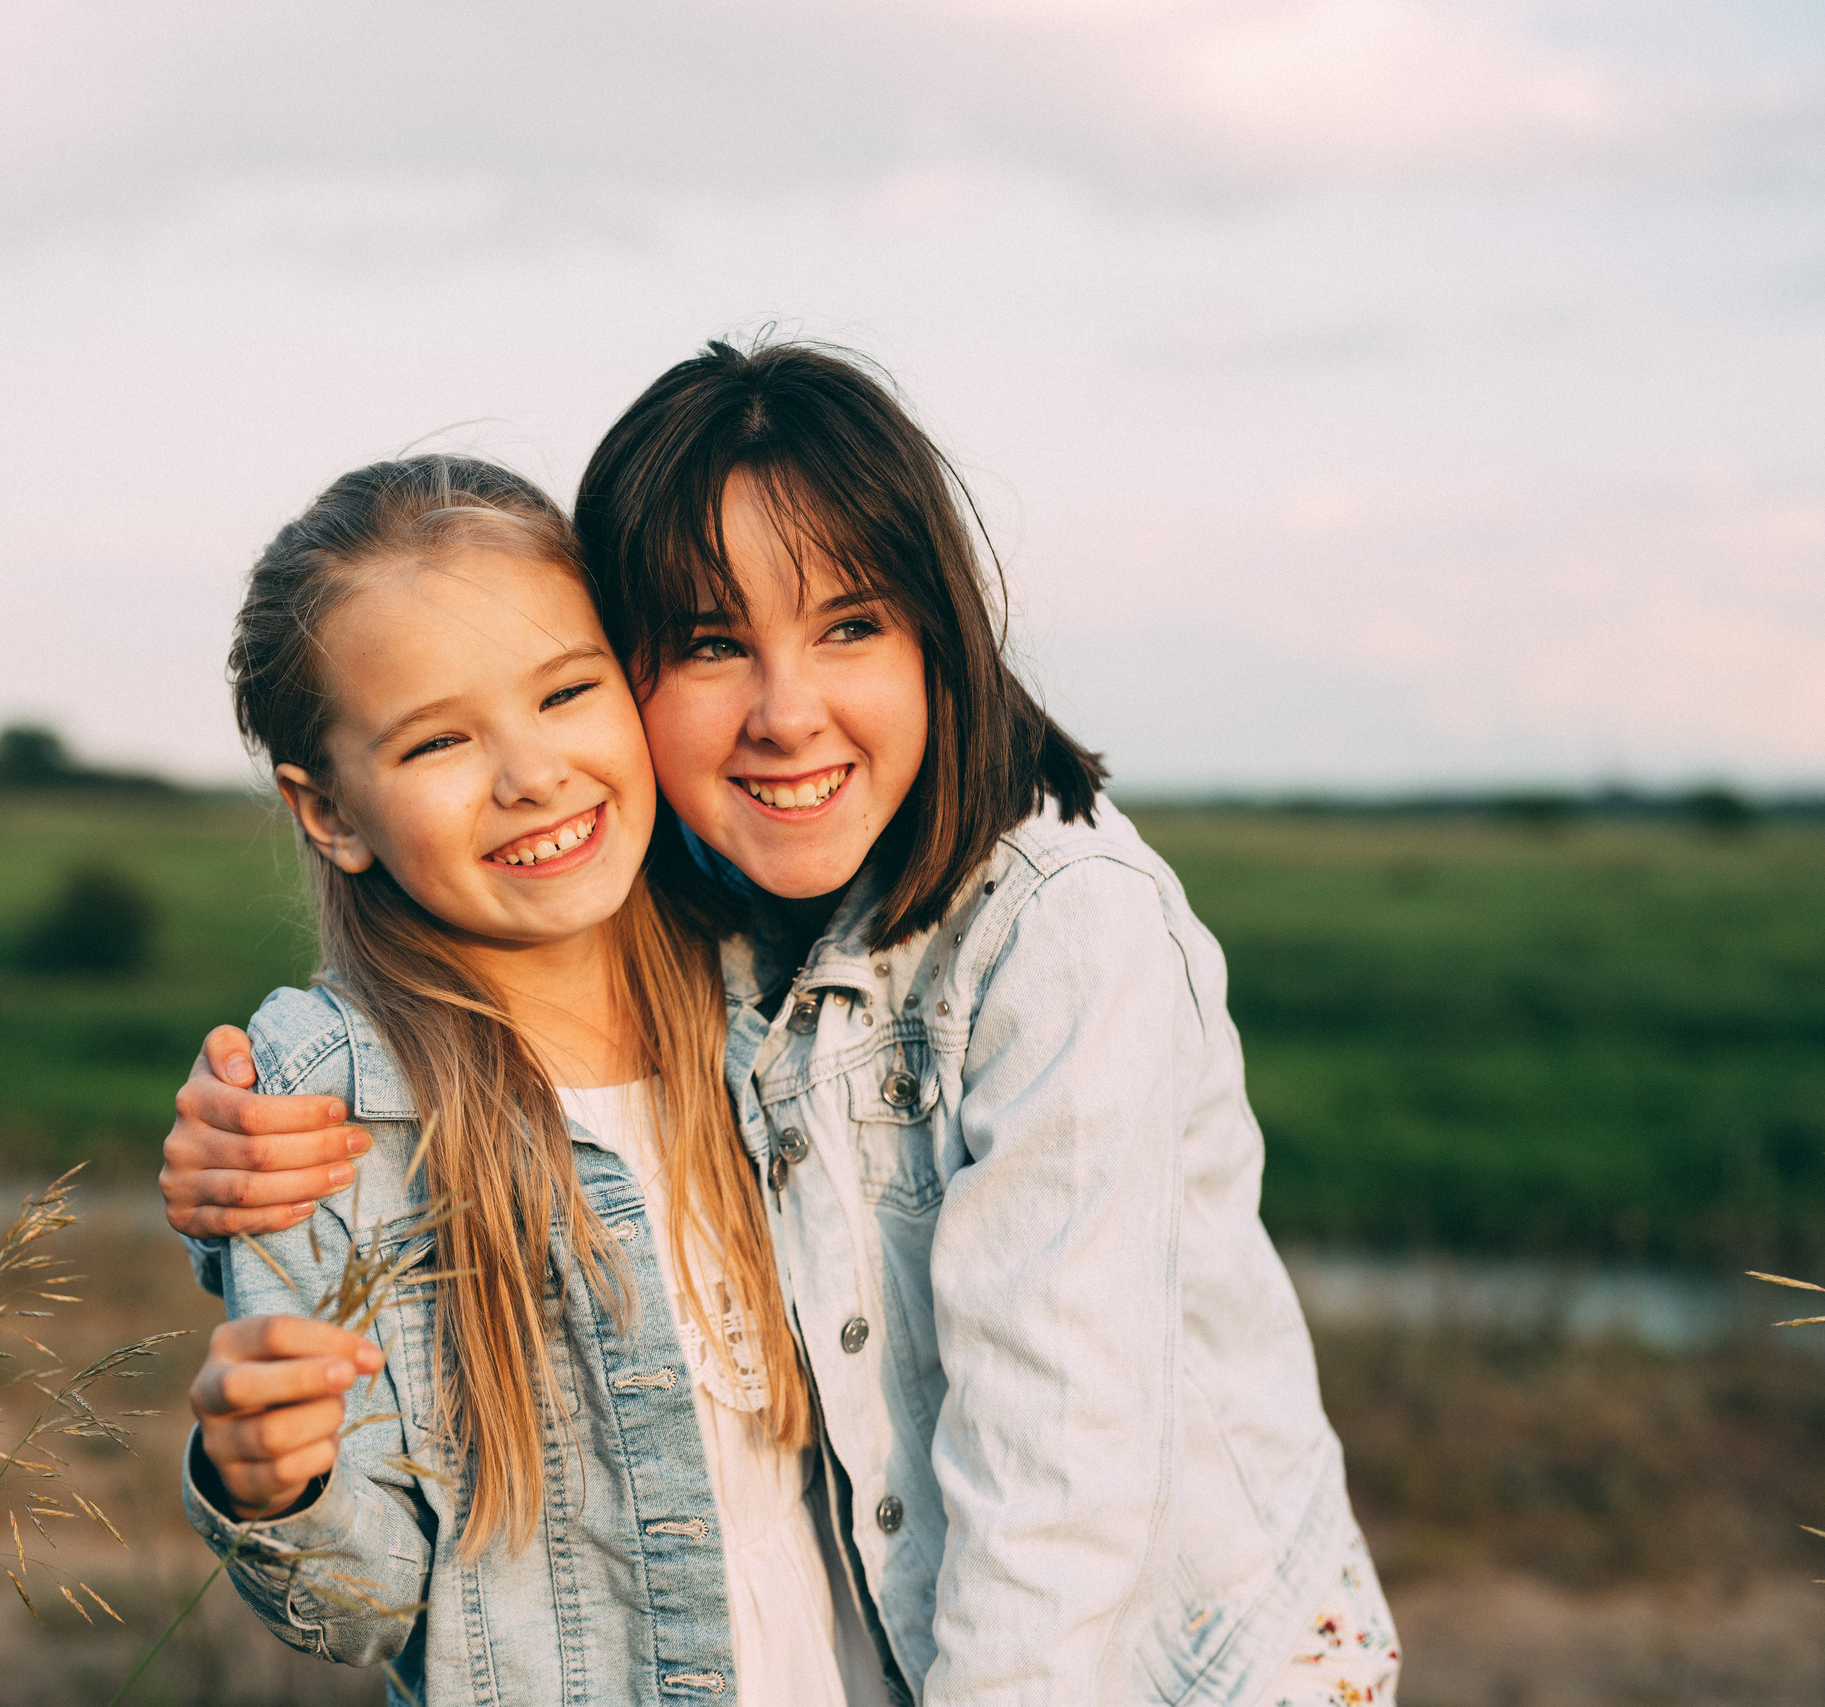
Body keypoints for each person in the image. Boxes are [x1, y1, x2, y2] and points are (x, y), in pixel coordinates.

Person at [166, 340, 1402, 1706]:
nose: (786, 712)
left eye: (851, 624)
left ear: (942, 631)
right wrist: (267, 1437)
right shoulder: (401, 1073)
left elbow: (1056, 1479)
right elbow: (372, 1587)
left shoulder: (973, 942)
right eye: (709, 645)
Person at [183, 453, 886, 1706]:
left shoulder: (779, 987)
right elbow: (366, 1605)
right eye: (438, 741)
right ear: (329, 812)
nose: (532, 774)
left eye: (566, 691)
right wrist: (275, 1483)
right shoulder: (320, 1107)